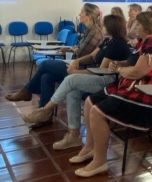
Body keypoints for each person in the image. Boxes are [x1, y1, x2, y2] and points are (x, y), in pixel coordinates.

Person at [71, 11, 152, 177]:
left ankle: (100, 161)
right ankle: (89, 147)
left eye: (137, 24)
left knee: (97, 113)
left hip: (148, 95)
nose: (133, 26)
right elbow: (135, 63)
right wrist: (120, 64)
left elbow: (137, 72)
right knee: (89, 101)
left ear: (146, 27)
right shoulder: (144, 41)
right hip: (133, 86)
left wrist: (118, 69)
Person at [20, 15, 130, 149]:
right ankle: (74, 135)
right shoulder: (108, 41)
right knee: (72, 90)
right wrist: (77, 61)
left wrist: (75, 72)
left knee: (70, 79)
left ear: (112, 27)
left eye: (105, 25)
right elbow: (91, 56)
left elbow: (101, 70)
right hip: (98, 75)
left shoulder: (118, 44)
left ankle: (45, 110)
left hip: (108, 81)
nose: (103, 27)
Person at [5, 3, 103, 128]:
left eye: (82, 12)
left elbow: (83, 54)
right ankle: (44, 116)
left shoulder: (95, 32)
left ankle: (27, 91)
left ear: (88, 16)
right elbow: (81, 49)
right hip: (75, 64)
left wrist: (71, 50)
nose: (79, 15)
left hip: (82, 70)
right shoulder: (89, 30)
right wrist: (70, 49)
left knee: (45, 64)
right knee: (46, 76)